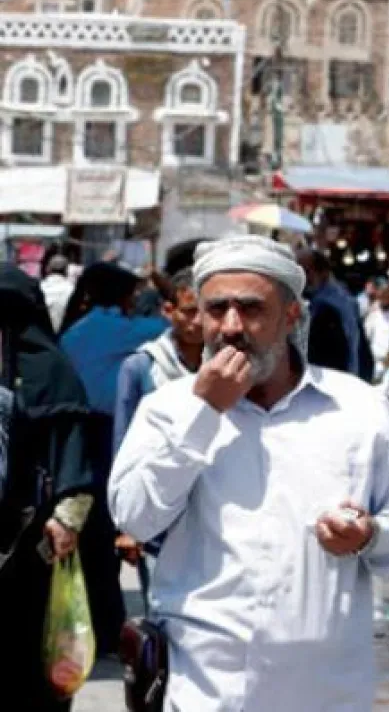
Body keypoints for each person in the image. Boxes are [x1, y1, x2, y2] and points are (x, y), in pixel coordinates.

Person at [108, 235, 389, 711]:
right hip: (204, 690)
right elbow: (136, 516)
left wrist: (370, 535)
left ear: (291, 316)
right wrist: (205, 413)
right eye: (217, 309)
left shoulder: (359, 410)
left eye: (251, 308)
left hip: (326, 692)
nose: (232, 326)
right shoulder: (168, 410)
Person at [0, 265, 97, 712]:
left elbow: (75, 459)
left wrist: (66, 520)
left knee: (30, 644)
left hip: (32, 543)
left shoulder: (52, 371)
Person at [58, 262, 168, 654]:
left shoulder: (75, 328)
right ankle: (107, 628)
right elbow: (178, 326)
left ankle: (93, 625)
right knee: (107, 533)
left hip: (79, 434)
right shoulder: (121, 329)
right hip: (108, 434)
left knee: (89, 538)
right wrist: (165, 287)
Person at [111, 267, 204, 609]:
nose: (197, 322)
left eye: (205, 312)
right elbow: (124, 447)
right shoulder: (142, 368)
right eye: (189, 311)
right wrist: (126, 525)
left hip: (212, 509)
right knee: (163, 611)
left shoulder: (228, 367)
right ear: (169, 311)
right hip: (160, 513)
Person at [296, 248, 366, 377]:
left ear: (323, 273)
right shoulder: (336, 298)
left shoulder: (328, 305)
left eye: (306, 271)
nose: (301, 278)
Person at [41, 253, 75, 332]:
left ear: (48, 269)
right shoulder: (72, 290)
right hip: (64, 335)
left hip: (43, 337)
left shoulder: (39, 288)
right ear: (66, 271)